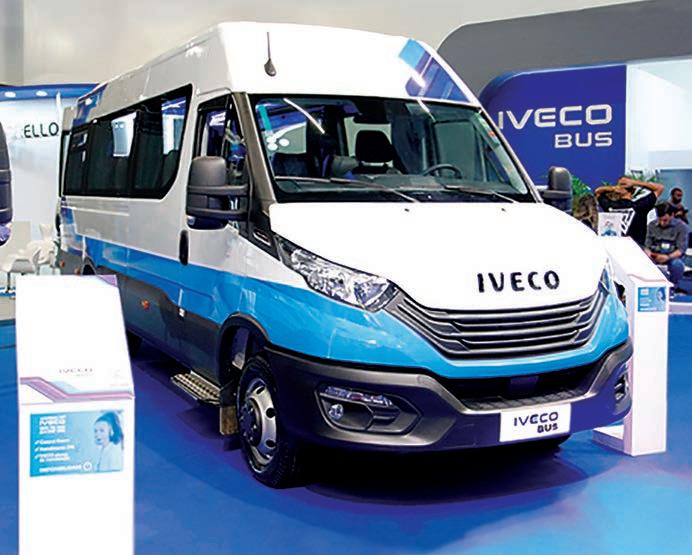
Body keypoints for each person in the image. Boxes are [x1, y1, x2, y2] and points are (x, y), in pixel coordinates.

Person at [595, 176, 664, 246]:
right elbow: (659, 188)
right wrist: (634, 183)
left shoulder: (639, 206)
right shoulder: (612, 206)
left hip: (632, 247)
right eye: (620, 185)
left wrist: (633, 183)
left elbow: (598, 192)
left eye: (623, 185)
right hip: (620, 247)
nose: (621, 187)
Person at [645, 202, 688, 293]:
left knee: (677, 265)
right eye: (660, 220)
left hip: (672, 256)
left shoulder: (682, 227)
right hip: (655, 255)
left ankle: (672, 288)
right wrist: (649, 254)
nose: (662, 223)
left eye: (665, 220)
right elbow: (647, 246)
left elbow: (681, 250)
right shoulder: (651, 225)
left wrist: (668, 257)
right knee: (644, 262)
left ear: (672, 215)